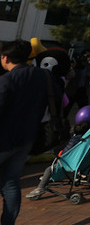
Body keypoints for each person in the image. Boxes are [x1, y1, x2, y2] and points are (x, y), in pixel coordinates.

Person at [0, 40, 49, 224]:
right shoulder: (42, 76)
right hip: (27, 137)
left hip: (4, 139)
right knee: (11, 182)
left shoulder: (7, 80)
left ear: (6, 58)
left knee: (10, 182)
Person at [25, 121, 90, 200]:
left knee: (49, 169)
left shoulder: (74, 140)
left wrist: (60, 154)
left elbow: (66, 152)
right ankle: (46, 179)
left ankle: (40, 188)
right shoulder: (89, 140)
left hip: (69, 163)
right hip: (83, 163)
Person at [65, 50, 90, 117]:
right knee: (66, 109)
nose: (89, 58)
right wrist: (73, 67)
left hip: (83, 90)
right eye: (87, 56)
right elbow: (68, 75)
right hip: (72, 90)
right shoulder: (76, 64)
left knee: (84, 109)